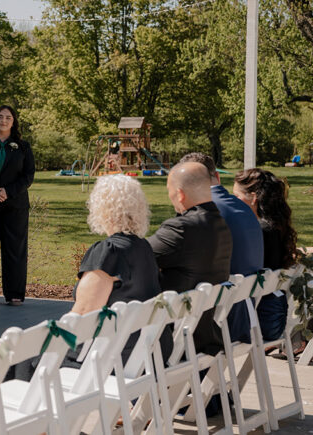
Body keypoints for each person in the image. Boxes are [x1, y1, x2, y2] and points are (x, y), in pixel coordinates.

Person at [72, 174, 168, 362]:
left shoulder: (109, 252)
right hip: (145, 354)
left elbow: (82, 315)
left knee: (22, 363)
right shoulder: (144, 247)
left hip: (111, 358)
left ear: (102, 210)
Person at [148, 161, 232, 355]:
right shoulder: (221, 225)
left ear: (180, 193)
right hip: (203, 330)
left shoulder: (180, 228)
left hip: (174, 335)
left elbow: (138, 256)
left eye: (169, 191)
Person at [180, 152, 261, 342]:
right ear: (217, 176)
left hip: (220, 322)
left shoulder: (204, 211)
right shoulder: (245, 209)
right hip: (246, 314)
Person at [233, 168, 299, 341]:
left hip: (257, 321)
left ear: (253, 198)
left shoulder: (259, 232)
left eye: (236, 197)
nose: (232, 202)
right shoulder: (276, 227)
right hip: (274, 315)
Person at [0, 105, 35, 306]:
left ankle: (15, 293)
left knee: (15, 250)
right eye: (0, 117)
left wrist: (7, 192)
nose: (3, 121)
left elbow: (28, 176)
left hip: (15, 205)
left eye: (8, 117)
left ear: (13, 122)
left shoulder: (23, 146)